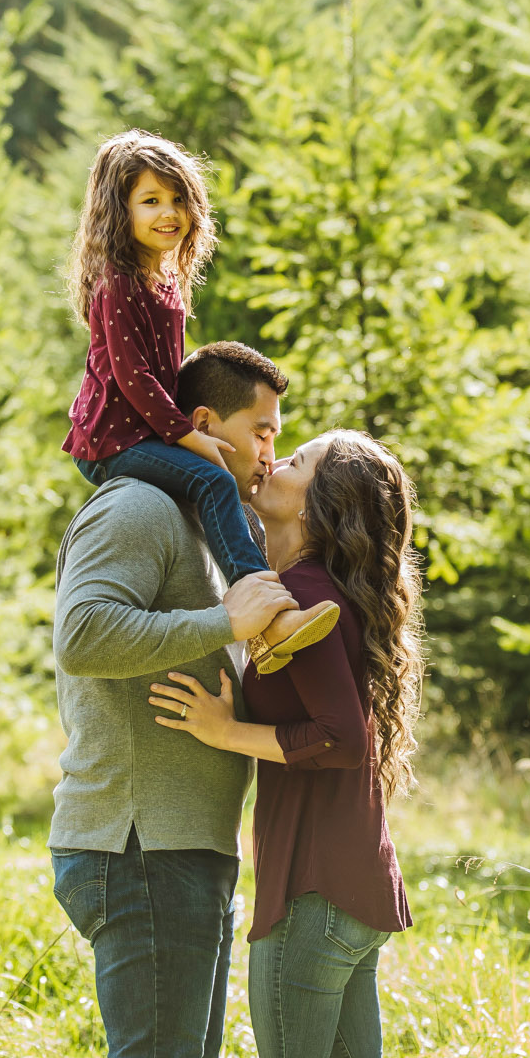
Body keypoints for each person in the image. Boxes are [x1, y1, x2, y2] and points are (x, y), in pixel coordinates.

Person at [50, 341, 306, 1058]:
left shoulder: (201, 525)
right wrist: (222, 627)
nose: (271, 452)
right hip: (135, 845)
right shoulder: (138, 509)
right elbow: (84, 635)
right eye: (261, 432)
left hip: (181, 847)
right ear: (203, 426)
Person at [148, 431, 426, 1058]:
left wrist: (224, 729)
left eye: (296, 461)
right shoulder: (310, 595)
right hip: (353, 891)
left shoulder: (308, 596)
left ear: (323, 505)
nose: (275, 461)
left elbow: (340, 738)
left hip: (312, 893)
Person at [62, 128, 337, 673]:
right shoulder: (117, 284)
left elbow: (171, 372)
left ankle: (263, 628)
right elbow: (135, 377)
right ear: (119, 212)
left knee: (219, 487)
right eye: (150, 201)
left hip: (148, 430)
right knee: (212, 478)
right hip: (112, 440)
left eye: (178, 199)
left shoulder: (163, 279)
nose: (169, 213)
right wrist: (192, 438)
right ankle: (265, 613)